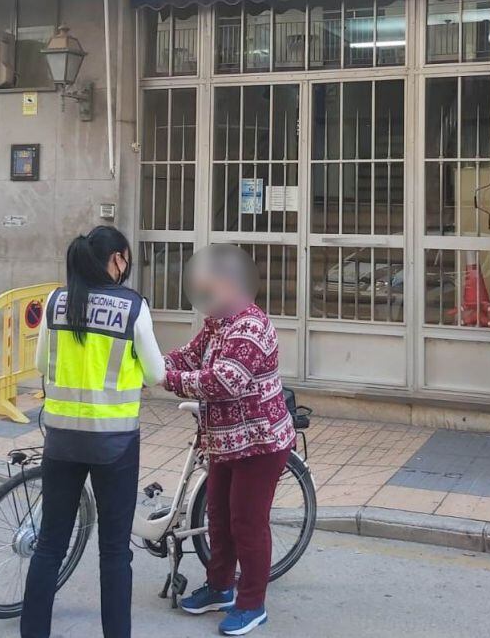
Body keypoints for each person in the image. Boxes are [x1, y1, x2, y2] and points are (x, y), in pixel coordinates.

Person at [21, 226, 165, 638]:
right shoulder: (133, 307)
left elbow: (41, 364)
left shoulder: (56, 302)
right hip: (114, 444)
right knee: (115, 552)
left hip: (62, 441)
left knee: (49, 546)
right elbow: (155, 374)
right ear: (117, 259)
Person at [165, 245, 296, 637]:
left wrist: (166, 380)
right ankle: (219, 586)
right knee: (217, 517)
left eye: (210, 288)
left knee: (247, 523)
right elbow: (190, 357)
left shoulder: (252, 327)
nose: (204, 297)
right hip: (223, 441)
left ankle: (252, 604)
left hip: (260, 443)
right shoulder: (217, 323)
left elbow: (224, 381)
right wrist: (159, 361)